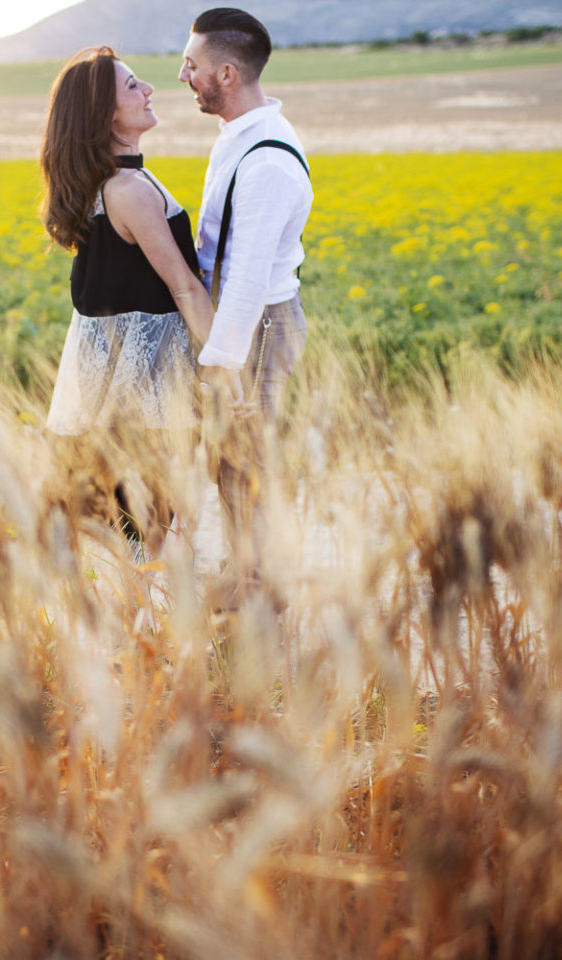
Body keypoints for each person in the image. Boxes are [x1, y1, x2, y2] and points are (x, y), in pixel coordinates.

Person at [40, 46, 215, 555]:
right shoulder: (129, 188)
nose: (149, 91)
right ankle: (138, 629)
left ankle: (127, 625)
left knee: (125, 535)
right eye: (133, 86)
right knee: (144, 533)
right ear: (104, 114)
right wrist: (227, 364)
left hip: (116, 397)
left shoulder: (111, 182)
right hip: (149, 397)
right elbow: (183, 286)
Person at [179, 7, 313, 596]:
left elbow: (248, 277)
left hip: (258, 327)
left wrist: (219, 358)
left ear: (227, 74)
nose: (184, 75)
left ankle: (259, 585)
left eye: (192, 65)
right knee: (234, 460)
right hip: (244, 324)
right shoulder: (240, 138)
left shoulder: (266, 161)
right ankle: (250, 573)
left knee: (247, 461)